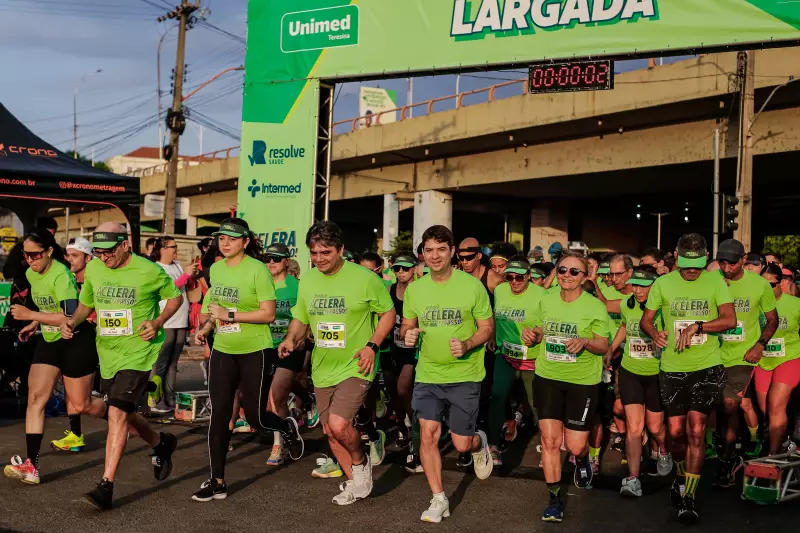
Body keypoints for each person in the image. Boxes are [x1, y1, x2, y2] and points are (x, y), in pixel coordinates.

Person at [60, 222, 183, 510]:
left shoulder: (150, 270)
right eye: (99, 253)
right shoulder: (94, 269)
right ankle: (160, 442)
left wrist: (157, 322)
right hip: (109, 353)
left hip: (139, 353)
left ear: (125, 244)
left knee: (116, 413)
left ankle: (106, 485)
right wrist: (73, 322)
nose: (104, 258)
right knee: (122, 412)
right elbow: (86, 304)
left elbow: (174, 299)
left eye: (109, 252)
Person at [279, 221, 395, 506]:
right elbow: (300, 317)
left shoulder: (365, 278)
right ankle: (355, 482)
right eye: (314, 253)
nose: (319, 259)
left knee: (339, 423)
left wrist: (372, 345)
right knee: (330, 431)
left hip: (357, 363)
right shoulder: (308, 280)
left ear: (341, 250)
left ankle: (360, 461)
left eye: (325, 252)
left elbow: (388, 314)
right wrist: (290, 339)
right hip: (323, 365)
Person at [192, 219, 304, 502]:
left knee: (255, 417)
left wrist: (231, 316)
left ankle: (286, 425)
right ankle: (217, 480)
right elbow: (211, 307)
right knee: (219, 415)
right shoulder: (215, 269)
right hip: (224, 349)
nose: (225, 242)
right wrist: (205, 328)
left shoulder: (258, 270)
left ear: (246, 242)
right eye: (221, 238)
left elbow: (267, 314)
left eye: (231, 238)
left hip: (256, 350)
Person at [640, 233, 735, 522]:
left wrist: (699, 326)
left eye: (697, 265)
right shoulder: (663, 283)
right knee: (677, 434)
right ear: (677, 258)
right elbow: (646, 319)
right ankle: (680, 478)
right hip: (671, 367)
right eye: (686, 264)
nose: (692, 270)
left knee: (697, 430)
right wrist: (654, 333)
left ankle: (689, 497)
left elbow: (730, 320)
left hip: (707, 366)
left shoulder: (715, 281)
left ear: (706, 259)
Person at [401, 225, 494, 523]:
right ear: (423, 254)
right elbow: (406, 326)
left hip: (465, 374)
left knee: (460, 443)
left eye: (441, 249)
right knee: (427, 434)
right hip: (428, 373)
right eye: (429, 250)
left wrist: (467, 343)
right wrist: (409, 334)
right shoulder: (416, 288)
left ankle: (479, 442)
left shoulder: (472, 286)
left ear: (452, 251)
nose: (435, 255)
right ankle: (439, 498)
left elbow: (487, 329)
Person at [4, 230, 105, 485]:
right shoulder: (30, 273)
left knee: (82, 405)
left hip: (75, 341)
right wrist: (34, 325)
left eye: (35, 254)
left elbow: (69, 318)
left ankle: (121, 414)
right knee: (35, 398)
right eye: (25, 255)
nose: (30, 260)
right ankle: (31, 465)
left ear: (49, 251)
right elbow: (46, 310)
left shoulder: (61, 276)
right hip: (50, 342)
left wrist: (31, 316)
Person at [528, 251, 609, 522]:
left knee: (574, 446)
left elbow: (603, 344)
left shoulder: (594, 306)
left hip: (582, 381)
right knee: (550, 441)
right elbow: (538, 330)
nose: (567, 276)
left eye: (575, 272)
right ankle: (554, 499)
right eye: (562, 270)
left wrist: (585, 342)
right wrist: (533, 335)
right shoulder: (546, 300)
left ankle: (583, 458)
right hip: (548, 376)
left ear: (584, 276)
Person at [714, 239, 778, 486]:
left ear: (743, 260)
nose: (726, 267)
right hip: (712, 354)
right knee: (719, 410)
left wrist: (759, 345)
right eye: (722, 262)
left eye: (731, 262)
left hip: (742, 356)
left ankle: (727, 461)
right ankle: (729, 447)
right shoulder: (712, 281)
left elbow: (772, 320)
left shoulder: (759, 285)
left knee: (730, 404)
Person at [607, 266, 673, 498]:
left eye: (644, 285)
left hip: (656, 373)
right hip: (630, 371)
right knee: (634, 429)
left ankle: (664, 449)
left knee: (655, 427)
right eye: (635, 285)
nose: (638, 290)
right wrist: (611, 349)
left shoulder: (664, 308)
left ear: (655, 285)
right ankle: (633, 479)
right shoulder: (628, 304)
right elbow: (624, 326)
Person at [488, 257, 545, 467]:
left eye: (519, 277)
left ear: (529, 276)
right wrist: (493, 336)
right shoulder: (501, 291)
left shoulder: (541, 295)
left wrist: (538, 334)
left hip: (532, 359)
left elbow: (548, 323)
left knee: (537, 405)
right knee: (498, 397)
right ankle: (493, 446)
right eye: (509, 277)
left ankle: (547, 449)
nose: (514, 281)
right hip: (506, 355)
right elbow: (495, 314)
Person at [262, 242, 315, 466]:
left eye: (276, 258)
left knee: (276, 396)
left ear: (286, 261)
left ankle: (277, 445)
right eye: (268, 258)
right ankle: (288, 429)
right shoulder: (262, 287)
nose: (271, 262)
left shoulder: (299, 286)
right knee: (265, 404)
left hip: (290, 347)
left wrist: (303, 336)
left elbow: (308, 314)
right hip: (264, 346)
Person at [149, 236, 198, 414]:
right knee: (160, 363)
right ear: (162, 248)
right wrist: (185, 275)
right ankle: (155, 399)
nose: (175, 250)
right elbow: (169, 288)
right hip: (166, 320)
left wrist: (191, 276)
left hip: (181, 320)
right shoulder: (156, 267)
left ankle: (170, 398)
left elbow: (186, 287)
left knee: (173, 363)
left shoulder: (177, 264)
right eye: (172, 247)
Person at [757, 264, 800, 455]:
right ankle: (783, 442)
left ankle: (772, 457)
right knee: (767, 410)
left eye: (771, 285)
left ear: (781, 283)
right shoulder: (754, 305)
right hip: (762, 360)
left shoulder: (795, 304)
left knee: (775, 406)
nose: (767, 290)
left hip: (789, 358)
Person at [386, 252, 422, 472]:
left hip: (413, 351)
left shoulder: (419, 291)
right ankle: (403, 426)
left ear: (414, 270)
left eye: (405, 269)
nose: (401, 272)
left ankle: (415, 427)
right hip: (392, 349)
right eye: (397, 268)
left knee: (403, 387)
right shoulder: (389, 291)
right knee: (393, 393)